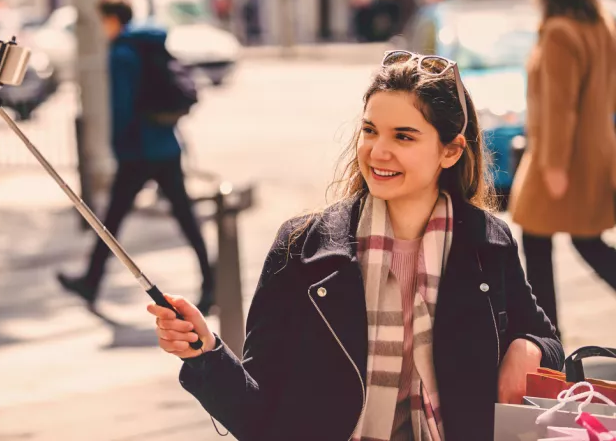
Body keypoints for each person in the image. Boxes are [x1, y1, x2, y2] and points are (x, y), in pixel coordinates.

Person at [147, 51, 563, 441]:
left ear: (450, 151)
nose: (378, 151)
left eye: (404, 137)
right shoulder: (301, 247)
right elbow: (260, 416)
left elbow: (548, 343)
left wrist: (528, 348)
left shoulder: (487, 242)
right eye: (370, 130)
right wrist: (206, 354)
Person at [57, 0, 215, 314]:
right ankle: (210, 281)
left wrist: (118, 148)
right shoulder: (150, 45)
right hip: (166, 147)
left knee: (111, 221)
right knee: (185, 218)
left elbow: (122, 108)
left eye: (104, 21)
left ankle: (90, 280)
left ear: (112, 19)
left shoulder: (121, 53)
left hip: (137, 151)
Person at [509, 0, 616, 334]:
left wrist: (553, 166)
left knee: (538, 242)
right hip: (597, 150)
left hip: (563, 156)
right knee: (586, 240)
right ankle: (546, 333)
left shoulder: (559, 33)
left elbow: (559, 108)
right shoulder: (601, 25)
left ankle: (545, 336)